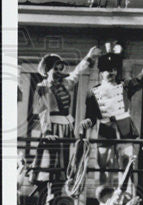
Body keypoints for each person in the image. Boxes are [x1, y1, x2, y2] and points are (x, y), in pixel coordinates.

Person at [78, 40, 143, 188]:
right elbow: (91, 116)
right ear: (101, 72)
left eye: (113, 69)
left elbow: (142, 76)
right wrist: (87, 122)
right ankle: (104, 201)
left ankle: (128, 199)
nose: (111, 72)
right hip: (105, 132)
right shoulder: (93, 92)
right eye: (107, 70)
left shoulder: (125, 86)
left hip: (125, 130)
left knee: (127, 167)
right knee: (103, 167)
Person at [30, 48, 99, 196]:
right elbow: (43, 111)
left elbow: (77, 73)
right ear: (47, 70)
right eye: (55, 68)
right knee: (50, 163)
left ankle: (58, 195)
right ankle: (46, 196)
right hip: (53, 127)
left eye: (60, 68)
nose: (59, 71)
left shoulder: (64, 83)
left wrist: (88, 57)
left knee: (65, 163)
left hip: (67, 126)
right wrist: (47, 131)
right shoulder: (42, 87)